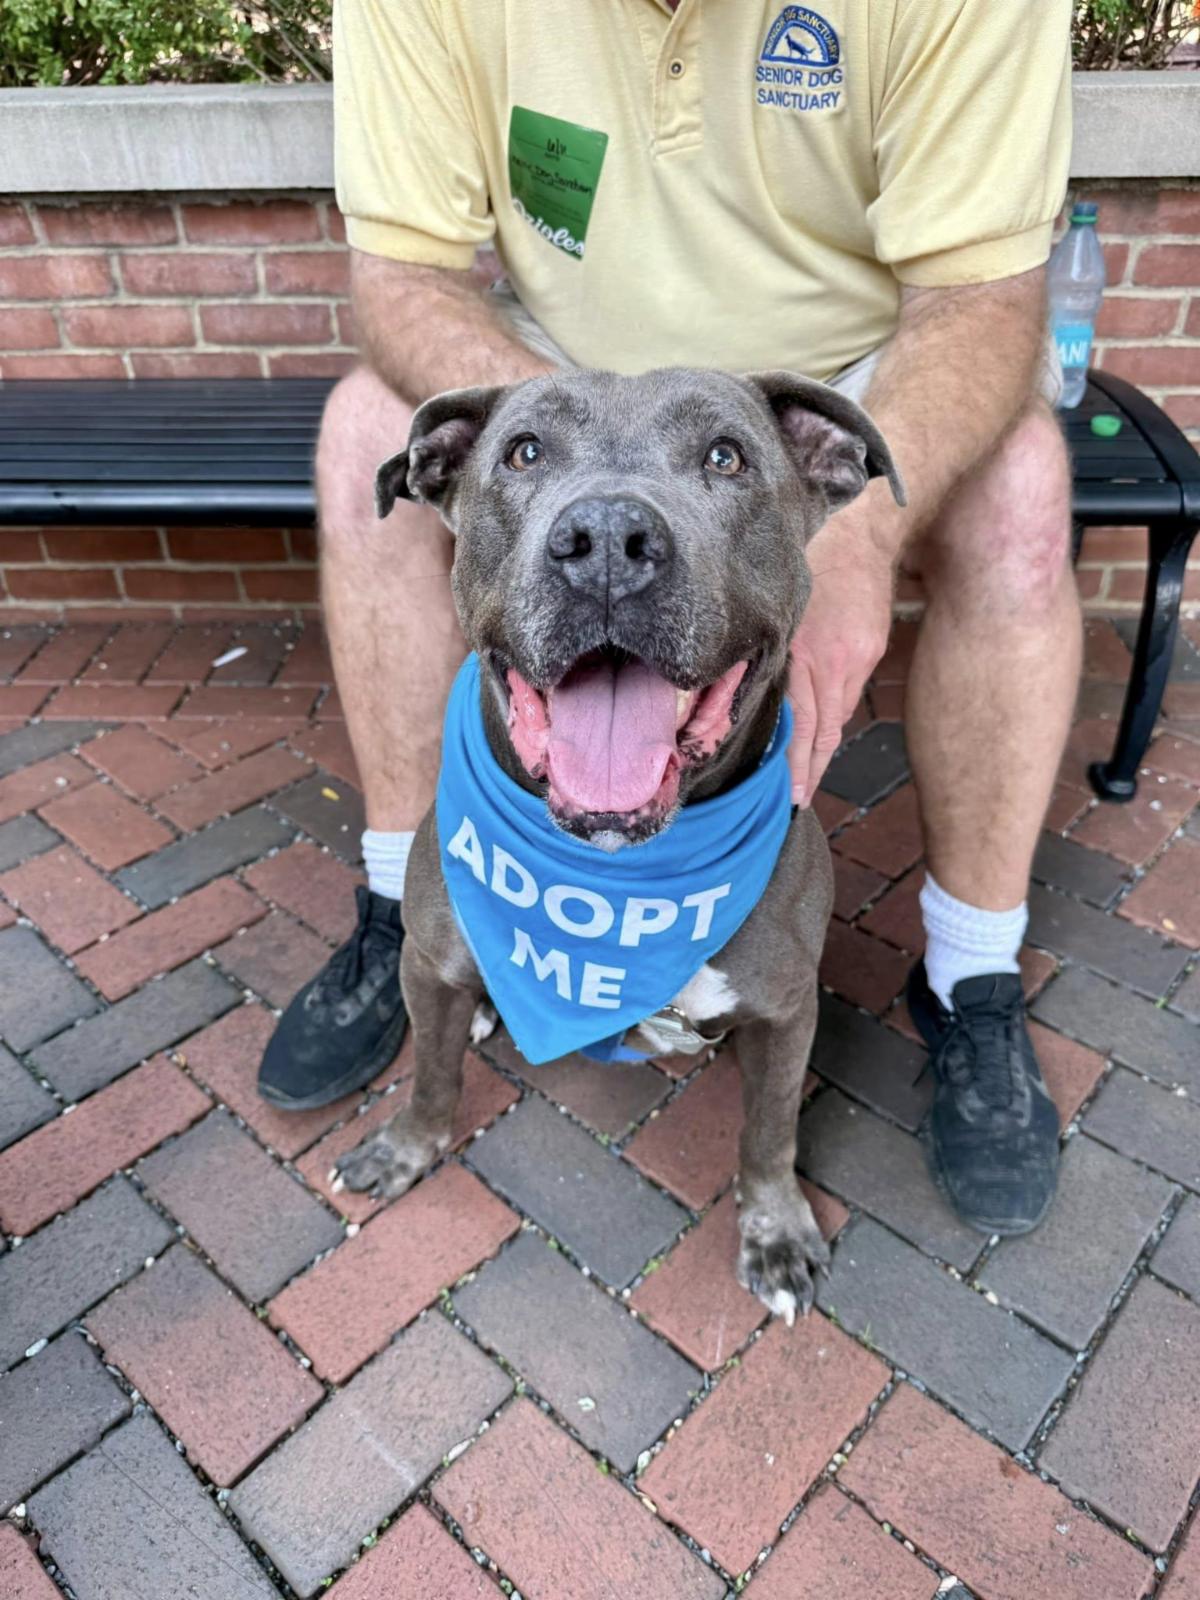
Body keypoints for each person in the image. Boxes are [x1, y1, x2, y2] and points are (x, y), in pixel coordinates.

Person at [258, 0, 1079, 1235]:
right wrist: (554, 456)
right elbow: (404, 275)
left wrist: (858, 533)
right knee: (359, 430)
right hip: (559, 364)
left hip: (850, 362)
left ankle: (972, 972)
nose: (611, 545)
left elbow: (984, 299)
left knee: (1020, 486)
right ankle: (407, 912)